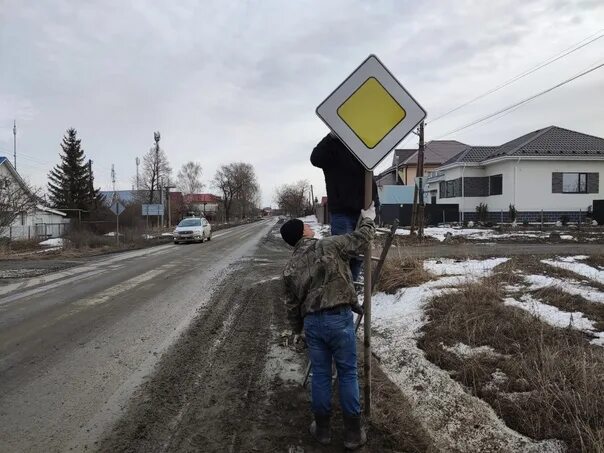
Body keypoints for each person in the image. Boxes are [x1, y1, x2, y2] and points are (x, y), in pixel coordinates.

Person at [280, 202, 375, 449]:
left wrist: (298, 331)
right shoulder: (329, 244)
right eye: (307, 227)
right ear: (303, 233)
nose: (311, 229)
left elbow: (292, 308)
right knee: (347, 373)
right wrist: (367, 218)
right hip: (339, 318)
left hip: (312, 324)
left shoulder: (289, 269)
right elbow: (362, 239)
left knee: (320, 375)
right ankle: (353, 434)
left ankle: (322, 430)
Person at [310, 132, 379, 282]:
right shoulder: (333, 146)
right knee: (342, 256)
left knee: (359, 257)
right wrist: (331, 136)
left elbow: (369, 179)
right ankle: (342, 297)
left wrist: (375, 204)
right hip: (342, 212)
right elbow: (315, 158)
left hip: (364, 211)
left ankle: (350, 294)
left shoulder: (363, 145)